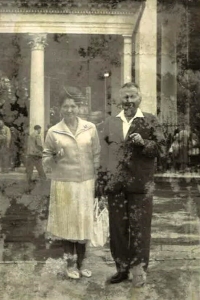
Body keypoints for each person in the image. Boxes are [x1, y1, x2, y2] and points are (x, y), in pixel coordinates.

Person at [99, 82, 165, 286]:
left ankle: (139, 271)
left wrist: (144, 144)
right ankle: (122, 269)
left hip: (141, 185)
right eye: (125, 97)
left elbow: (162, 148)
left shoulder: (150, 120)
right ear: (119, 100)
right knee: (118, 229)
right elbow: (103, 155)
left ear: (139, 98)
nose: (128, 101)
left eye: (132, 96)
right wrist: (101, 182)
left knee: (140, 228)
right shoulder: (110, 123)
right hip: (115, 186)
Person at [43, 88, 100, 280]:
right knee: (67, 226)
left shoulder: (90, 128)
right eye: (65, 106)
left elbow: (97, 155)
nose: (69, 109)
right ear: (60, 109)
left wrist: (98, 179)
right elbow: (46, 158)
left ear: (79, 107)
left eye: (73, 106)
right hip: (64, 184)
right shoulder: (53, 131)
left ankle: (82, 264)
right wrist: (54, 159)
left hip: (86, 182)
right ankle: (70, 265)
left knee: (83, 225)